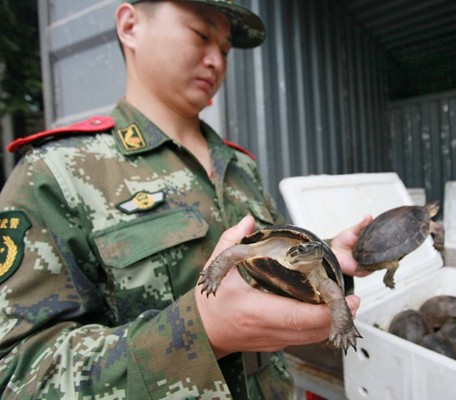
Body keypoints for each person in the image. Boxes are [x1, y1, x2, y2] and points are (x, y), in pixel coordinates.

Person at [0, 0, 372, 398]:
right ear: (129, 26)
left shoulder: (239, 165)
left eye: (226, 49)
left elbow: (268, 263)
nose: (216, 60)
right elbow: (17, 372)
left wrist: (330, 255)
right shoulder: (57, 171)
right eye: (200, 35)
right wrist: (199, 331)